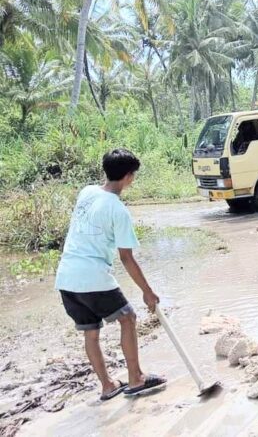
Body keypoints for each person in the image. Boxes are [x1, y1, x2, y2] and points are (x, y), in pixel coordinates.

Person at [54, 148, 166, 400]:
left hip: (66, 277)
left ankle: (108, 386)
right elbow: (126, 258)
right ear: (129, 177)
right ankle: (135, 379)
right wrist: (148, 292)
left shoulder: (87, 192)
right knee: (127, 318)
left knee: (90, 332)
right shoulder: (118, 210)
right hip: (92, 276)